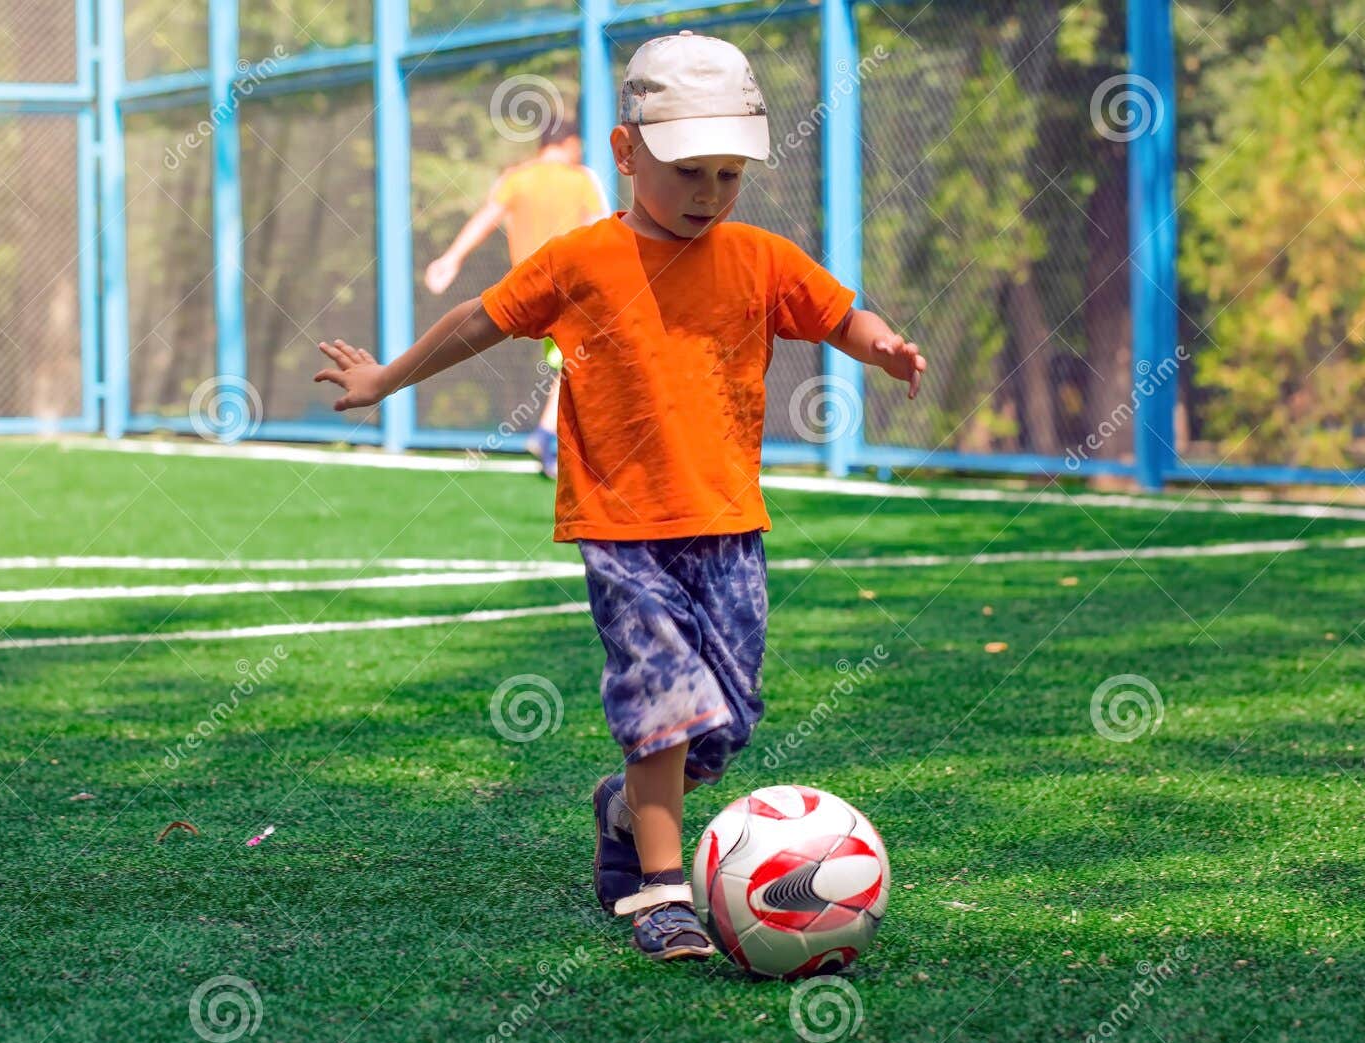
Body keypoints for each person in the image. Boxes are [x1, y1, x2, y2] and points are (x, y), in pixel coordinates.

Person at [315, 30, 924, 962]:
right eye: (690, 171)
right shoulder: (581, 261)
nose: (710, 193)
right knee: (665, 706)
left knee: (723, 725)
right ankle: (662, 891)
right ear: (626, 151)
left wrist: (879, 345)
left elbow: (838, 311)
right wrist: (386, 378)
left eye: (729, 173)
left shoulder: (759, 257)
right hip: (624, 533)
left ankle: (622, 806)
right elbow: (480, 318)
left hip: (730, 531)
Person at [423, 116, 608, 479]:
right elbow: (601, 225)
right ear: (570, 143)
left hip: (528, 291)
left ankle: (557, 440)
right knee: (582, 358)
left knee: (572, 361)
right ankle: (547, 435)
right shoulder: (580, 179)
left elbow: (485, 217)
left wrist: (451, 259)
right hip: (571, 287)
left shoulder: (516, 178)